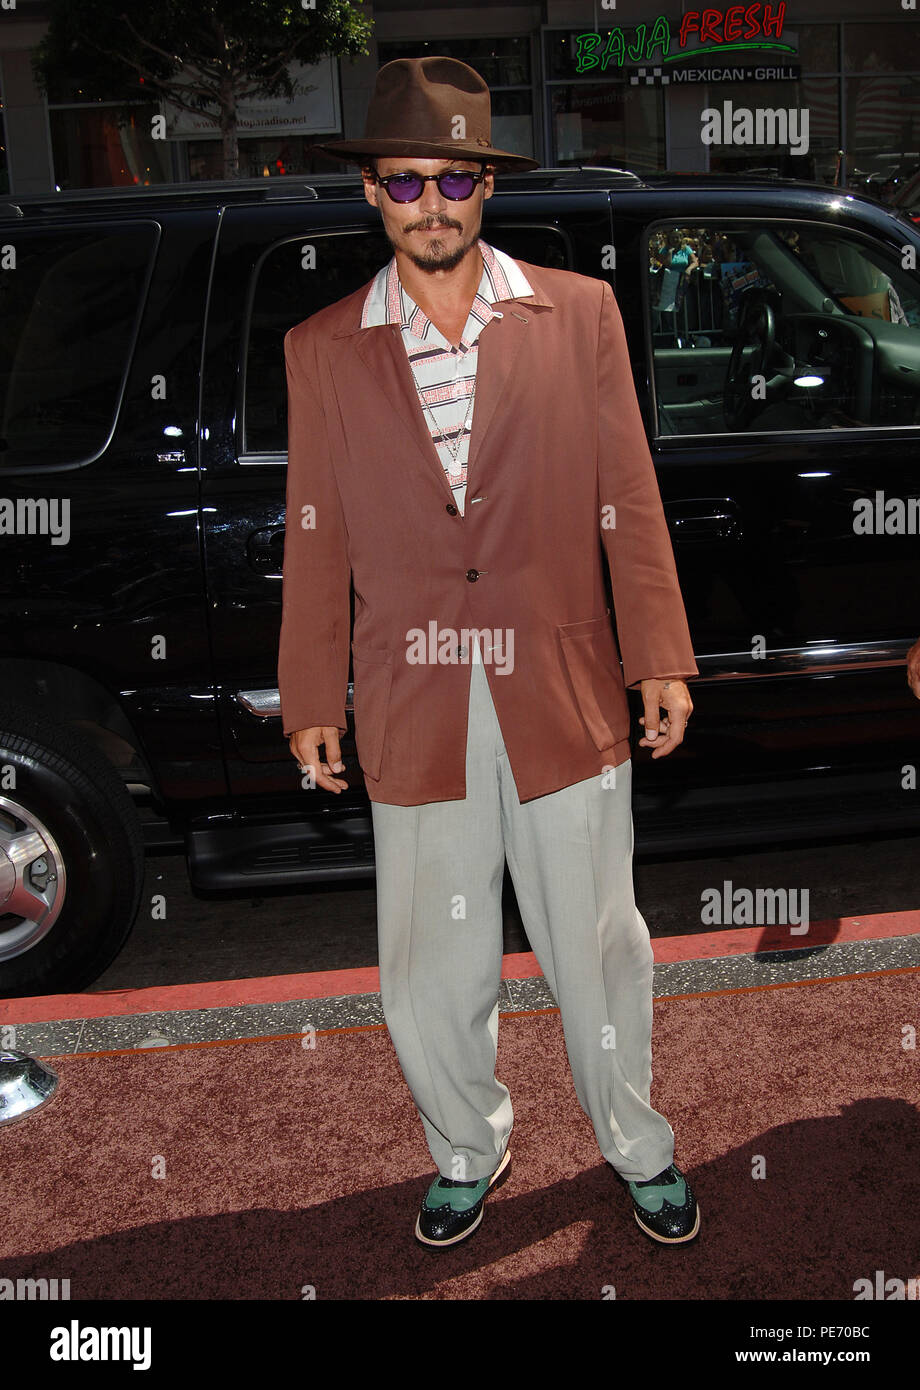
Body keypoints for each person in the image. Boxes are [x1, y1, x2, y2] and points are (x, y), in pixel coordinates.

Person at [279, 56, 701, 1249]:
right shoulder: (321, 347)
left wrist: (656, 652)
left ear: (485, 188)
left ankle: (634, 1141)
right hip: (413, 691)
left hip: (559, 686)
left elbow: (627, 489)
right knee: (429, 961)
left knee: (598, 944)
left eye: (453, 176)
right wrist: (313, 689)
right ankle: (466, 1145)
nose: (430, 202)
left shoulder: (577, 314)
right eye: (404, 179)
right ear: (371, 193)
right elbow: (315, 529)